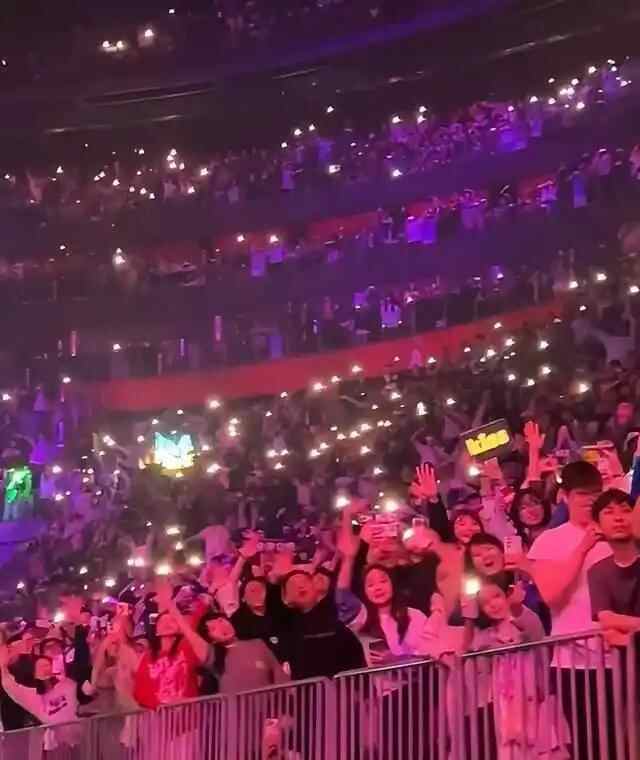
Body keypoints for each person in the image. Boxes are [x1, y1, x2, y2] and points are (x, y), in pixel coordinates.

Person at [527, 461, 615, 759]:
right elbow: (551, 595)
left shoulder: (616, 532)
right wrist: (583, 548)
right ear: (565, 496)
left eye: (595, 493)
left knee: (622, 735)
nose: (590, 500)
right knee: (586, 741)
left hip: (618, 654)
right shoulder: (548, 541)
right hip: (572, 662)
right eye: (582, 494)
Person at [588, 489, 640, 643]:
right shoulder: (597, 571)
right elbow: (606, 619)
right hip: (628, 657)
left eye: (626, 511)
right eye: (609, 512)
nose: (618, 518)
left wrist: (625, 638)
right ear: (597, 526)